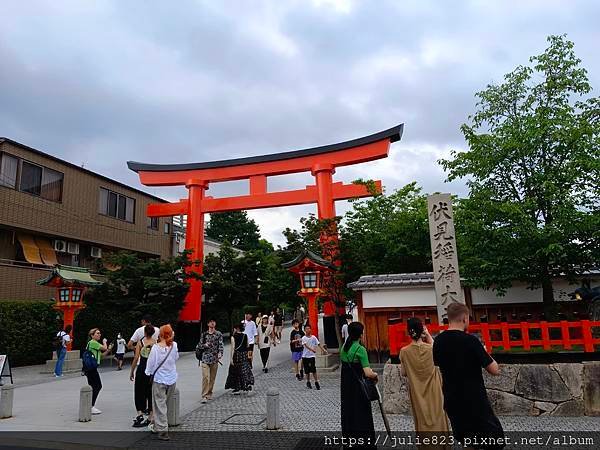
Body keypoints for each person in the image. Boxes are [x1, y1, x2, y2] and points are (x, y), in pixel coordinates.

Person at [433, 303, 503, 448]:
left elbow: (438, 364)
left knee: (467, 438)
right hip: (474, 398)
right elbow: (494, 369)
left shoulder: (439, 341)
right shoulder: (471, 341)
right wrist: (484, 352)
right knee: (494, 438)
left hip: (452, 397)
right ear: (464, 318)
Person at [400, 317, 449, 442]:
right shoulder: (431, 349)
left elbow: (404, 372)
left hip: (417, 390)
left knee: (422, 418)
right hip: (434, 388)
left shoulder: (404, 352)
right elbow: (436, 348)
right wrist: (428, 335)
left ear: (409, 332)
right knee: (438, 415)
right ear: (422, 331)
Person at [340, 321, 378, 447]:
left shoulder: (344, 348)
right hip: (359, 388)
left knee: (349, 412)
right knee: (362, 414)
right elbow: (367, 373)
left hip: (346, 388)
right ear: (360, 334)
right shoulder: (360, 349)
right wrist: (375, 375)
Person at [145, 324, 179, 441]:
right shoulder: (174, 345)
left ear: (161, 334)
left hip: (159, 379)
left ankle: (163, 430)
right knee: (165, 404)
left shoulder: (155, 348)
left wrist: (148, 373)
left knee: (159, 405)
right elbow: (176, 358)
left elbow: (151, 364)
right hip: (172, 378)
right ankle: (157, 425)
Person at [130, 324, 156, 427]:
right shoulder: (156, 343)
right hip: (152, 370)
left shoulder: (140, 343)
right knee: (150, 392)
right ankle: (150, 415)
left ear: (145, 332)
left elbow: (136, 357)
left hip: (142, 368)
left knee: (139, 391)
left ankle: (140, 413)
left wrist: (132, 371)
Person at [85, 328, 113, 414]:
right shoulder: (93, 342)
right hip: (91, 369)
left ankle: (89, 405)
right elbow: (103, 348)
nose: (99, 335)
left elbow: (101, 356)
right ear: (92, 335)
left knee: (94, 386)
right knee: (97, 386)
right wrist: (105, 342)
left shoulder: (94, 344)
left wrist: (109, 349)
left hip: (91, 368)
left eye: (100, 333)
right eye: (97, 333)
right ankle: (90, 406)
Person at [225, 323, 254, 394]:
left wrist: (231, 358)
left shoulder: (233, 337)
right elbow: (247, 345)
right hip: (244, 356)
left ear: (237, 328)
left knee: (235, 371)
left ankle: (237, 387)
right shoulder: (245, 336)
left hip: (237, 356)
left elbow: (233, 348)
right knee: (245, 370)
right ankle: (247, 385)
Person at [200, 319, 224, 403]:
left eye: (214, 321)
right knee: (206, 377)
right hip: (205, 358)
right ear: (208, 324)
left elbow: (221, 345)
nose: (212, 323)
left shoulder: (218, 334)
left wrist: (220, 353)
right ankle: (204, 395)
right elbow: (199, 345)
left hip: (214, 359)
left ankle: (209, 392)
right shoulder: (204, 334)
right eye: (210, 321)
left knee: (212, 378)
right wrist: (204, 345)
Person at [301, 324, 328, 390]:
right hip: (305, 356)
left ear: (311, 329)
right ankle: (308, 381)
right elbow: (306, 346)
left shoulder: (313, 337)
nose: (308, 330)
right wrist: (312, 349)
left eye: (309, 328)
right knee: (307, 370)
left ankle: (316, 382)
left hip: (312, 356)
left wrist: (323, 350)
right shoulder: (303, 338)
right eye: (306, 329)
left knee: (313, 369)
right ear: (304, 330)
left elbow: (318, 344)